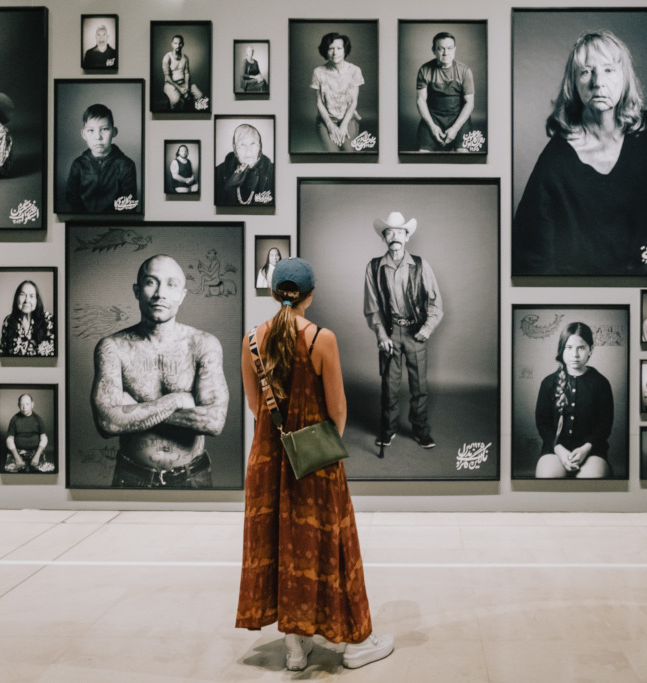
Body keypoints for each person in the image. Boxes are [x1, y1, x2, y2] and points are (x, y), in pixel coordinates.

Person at [237, 257, 394, 671]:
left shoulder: (252, 339)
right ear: (311, 295)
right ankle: (356, 642)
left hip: (268, 460)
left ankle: (295, 645)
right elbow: (338, 408)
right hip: (313, 460)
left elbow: (255, 406)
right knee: (329, 548)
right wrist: (320, 446)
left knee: (284, 547)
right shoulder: (321, 339)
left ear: (273, 293)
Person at [512, 30, 647, 276]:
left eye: (608, 69)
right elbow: (532, 256)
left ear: (624, 77)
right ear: (573, 83)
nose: (597, 82)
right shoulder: (555, 160)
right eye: (585, 72)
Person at [91, 255, 229, 488]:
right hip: (132, 476)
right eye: (151, 282)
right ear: (137, 291)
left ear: (182, 295)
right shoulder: (112, 347)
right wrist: (178, 399)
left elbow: (214, 421)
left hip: (193, 477)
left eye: (171, 284)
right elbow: (106, 423)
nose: (160, 294)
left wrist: (130, 410)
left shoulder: (203, 344)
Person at [363, 212, 443, 449]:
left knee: (419, 387)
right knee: (389, 387)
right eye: (389, 232)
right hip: (390, 334)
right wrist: (381, 335)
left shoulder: (420, 265)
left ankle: (420, 431)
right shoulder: (374, 267)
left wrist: (428, 329)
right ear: (384, 238)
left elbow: (435, 302)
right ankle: (388, 430)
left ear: (407, 237)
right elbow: (372, 307)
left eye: (399, 232)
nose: (394, 236)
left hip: (416, 333)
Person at [534, 322, 613, 478]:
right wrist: (559, 450)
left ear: (591, 350)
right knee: (547, 477)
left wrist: (585, 449)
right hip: (556, 448)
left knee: (591, 479)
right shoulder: (549, 383)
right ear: (562, 349)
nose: (575, 354)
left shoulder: (601, 383)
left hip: (592, 449)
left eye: (581, 348)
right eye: (569, 348)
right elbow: (543, 423)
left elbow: (604, 424)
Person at [66, 103, 138, 213]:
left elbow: (129, 205)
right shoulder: (78, 165)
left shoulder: (126, 165)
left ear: (114, 132)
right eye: (91, 130)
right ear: (84, 134)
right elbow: (72, 201)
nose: (98, 137)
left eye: (104, 129)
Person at [415, 32, 475, 152]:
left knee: (464, 155)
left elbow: (469, 103)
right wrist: (432, 127)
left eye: (449, 48)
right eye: (440, 49)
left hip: (458, 119)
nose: (446, 53)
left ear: (455, 49)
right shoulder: (424, 70)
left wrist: (455, 128)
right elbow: (421, 100)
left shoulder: (465, 71)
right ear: (433, 50)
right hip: (433, 118)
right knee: (422, 155)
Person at [311, 32, 364, 152]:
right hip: (326, 121)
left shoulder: (355, 70)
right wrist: (330, 126)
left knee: (349, 151)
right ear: (325, 50)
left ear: (345, 50)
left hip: (348, 119)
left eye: (339, 48)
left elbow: (354, 102)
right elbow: (319, 103)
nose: (335, 52)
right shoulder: (318, 72)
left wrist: (343, 125)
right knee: (332, 154)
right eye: (331, 49)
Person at [214, 124, 274, 206]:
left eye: (253, 144)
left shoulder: (274, 171)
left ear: (260, 146)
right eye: (242, 145)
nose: (248, 151)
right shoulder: (218, 172)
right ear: (235, 149)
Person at [0, 280, 55, 357]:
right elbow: (2, 354)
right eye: (23, 295)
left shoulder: (48, 320)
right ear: (16, 298)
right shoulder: (8, 321)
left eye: (31, 296)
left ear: (37, 300)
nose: (27, 300)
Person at [5, 393, 54, 473]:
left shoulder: (38, 419)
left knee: (47, 470)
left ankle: (29, 465)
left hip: (35, 451)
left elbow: (44, 438)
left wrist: (37, 456)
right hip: (18, 451)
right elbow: (9, 439)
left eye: (27, 404)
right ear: (18, 405)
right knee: (9, 469)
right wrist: (17, 457)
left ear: (32, 404)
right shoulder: (14, 419)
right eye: (21, 404)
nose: (24, 407)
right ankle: (24, 465)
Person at [162, 34, 204, 110]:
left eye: (180, 43)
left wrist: (187, 87)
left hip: (183, 83)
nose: (177, 46)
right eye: (175, 43)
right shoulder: (167, 57)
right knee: (176, 101)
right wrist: (180, 89)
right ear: (172, 44)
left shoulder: (185, 58)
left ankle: (196, 116)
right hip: (170, 84)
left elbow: (187, 73)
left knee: (199, 95)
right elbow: (167, 77)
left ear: (183, 44)